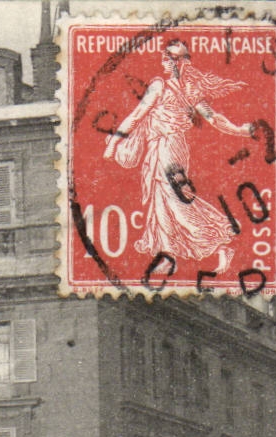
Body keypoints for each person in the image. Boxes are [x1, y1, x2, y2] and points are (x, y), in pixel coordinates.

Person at [103, 38, 257, 274]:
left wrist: (113, 144)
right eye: (166, 56)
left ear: (179, 62)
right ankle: (167, 255)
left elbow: (136, 116)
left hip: (168, 147)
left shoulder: (162, 87)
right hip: (167, 147)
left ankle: (218, 246)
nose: (165, 61)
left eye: (171, 57)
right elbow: (214, 119)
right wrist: (240, 130)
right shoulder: (189, 90)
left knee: (174, 199)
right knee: (162, 200)